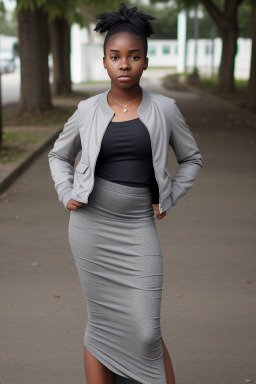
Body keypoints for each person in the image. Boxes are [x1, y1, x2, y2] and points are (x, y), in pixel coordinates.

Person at [48, 2, 203, 383]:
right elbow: (59, 154)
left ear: (145, 62)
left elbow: (192, 159)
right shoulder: (87, 110)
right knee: (101, 323)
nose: (124, 64)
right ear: (104, 62)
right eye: (115, 56)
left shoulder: (164, 109)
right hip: (90, 226)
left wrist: (169, 195)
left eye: (133, 56)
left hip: (137, 226)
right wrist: (65, 190)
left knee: (146, 328)